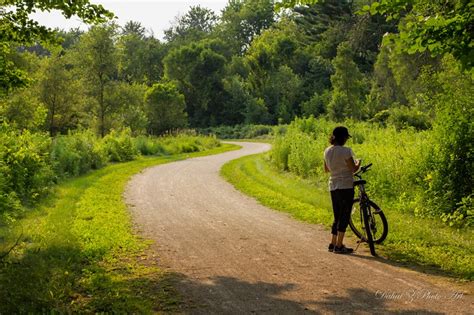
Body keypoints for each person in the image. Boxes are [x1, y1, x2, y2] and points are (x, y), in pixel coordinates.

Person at [324, 126, 360, 254]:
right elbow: (353, 169)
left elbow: (326, 169)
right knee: (344, 215)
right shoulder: (346, 151)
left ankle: (333, 243)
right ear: (343, 137)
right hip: (345, 185)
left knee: (337, 215)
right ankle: (339, 246)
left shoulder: (327, 151)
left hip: (333, 185)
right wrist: (358, 163)